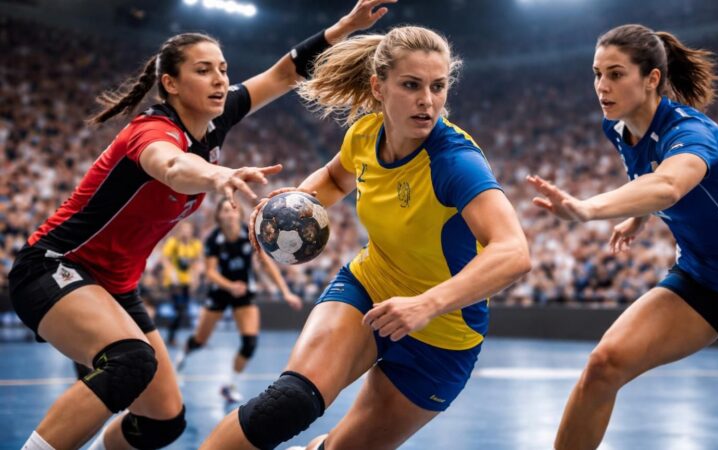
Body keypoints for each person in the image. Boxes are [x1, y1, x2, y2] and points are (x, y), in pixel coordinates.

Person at [10, 1, 392, 447]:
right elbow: (171, 167)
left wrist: (344, 26)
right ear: (170, 84)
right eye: (204, 70)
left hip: (114, 286)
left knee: (161, 422)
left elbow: (285, 74)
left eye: (224, 69)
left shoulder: (215, 121)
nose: (220, 80)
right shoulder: (151, 131)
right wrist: (218, 175)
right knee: (130, 361)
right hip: (54, 266)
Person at [200, 24, 532, 450]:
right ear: (378, 86)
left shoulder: (455, 162)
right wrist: (295, 204)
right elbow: (336, 179)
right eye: (411, 85)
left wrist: (426, 304)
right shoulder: (363, 135)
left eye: (437, 86)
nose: (427, 101)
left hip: (443, 335)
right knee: (288, 404)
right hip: (368, 290)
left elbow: (514, 251)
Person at [527, 24, 718, 450]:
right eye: (597, 73)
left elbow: (670, 184)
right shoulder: (617, 128)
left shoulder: (693, 133)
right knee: (604, 365)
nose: (602, 86)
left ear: (652, 78)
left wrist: (588, 209)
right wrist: (641, 216)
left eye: (616, 74)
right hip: (701, 280)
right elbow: (652, 180)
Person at [174, 198, 303, 403]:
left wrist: (285, 292)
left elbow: (266, 265)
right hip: (220, 291)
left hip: (243, 292)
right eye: (225, 210)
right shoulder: (213, 240)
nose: (229, 214)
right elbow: (210, 272)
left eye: (233, 210)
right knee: (200, 341)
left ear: (240, 214)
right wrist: (230, 286)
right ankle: (183, 355)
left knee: (249, 343)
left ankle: (229, 385)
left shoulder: (249, 235)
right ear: (219, 215)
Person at [162, 221, 204, 347]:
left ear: (192, 231)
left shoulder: (195, 244)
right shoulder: (173, 243)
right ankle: (171, 337)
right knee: (178, 308)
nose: (186, 232)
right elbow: (165, 259)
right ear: (180, 230)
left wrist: (195, 278)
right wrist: (172, 273)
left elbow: (197, 263)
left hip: (187, 281)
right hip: (174, 282)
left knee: (182, 309)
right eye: (184, 229)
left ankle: (171, 336)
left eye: (188, 229)